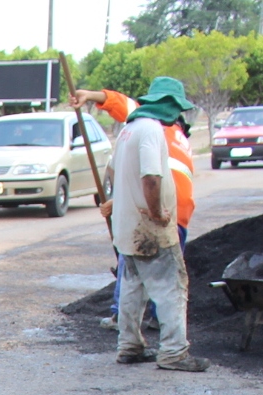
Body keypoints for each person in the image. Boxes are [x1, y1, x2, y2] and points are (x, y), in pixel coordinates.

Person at [100, 76, 209, 372]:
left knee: (133, 286)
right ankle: (174, 352)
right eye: (177, 109)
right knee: (171, 286)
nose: (178, 116)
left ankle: (129, 345)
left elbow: (117, 175)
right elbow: (150, 176)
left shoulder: (129, 130)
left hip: (127, 226)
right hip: (148, 226)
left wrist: (116, 203)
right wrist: (157, 211)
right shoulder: (150, 130)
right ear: (170, 105)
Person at [72, 81, 196, 330]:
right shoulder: (171, 133)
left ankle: (130, 321)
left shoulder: (146, 127)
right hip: (171, 212)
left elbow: (152, 178)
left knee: (135, 269)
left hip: (158, 210)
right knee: (160, 273)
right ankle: (155, 320)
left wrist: (121, 203)